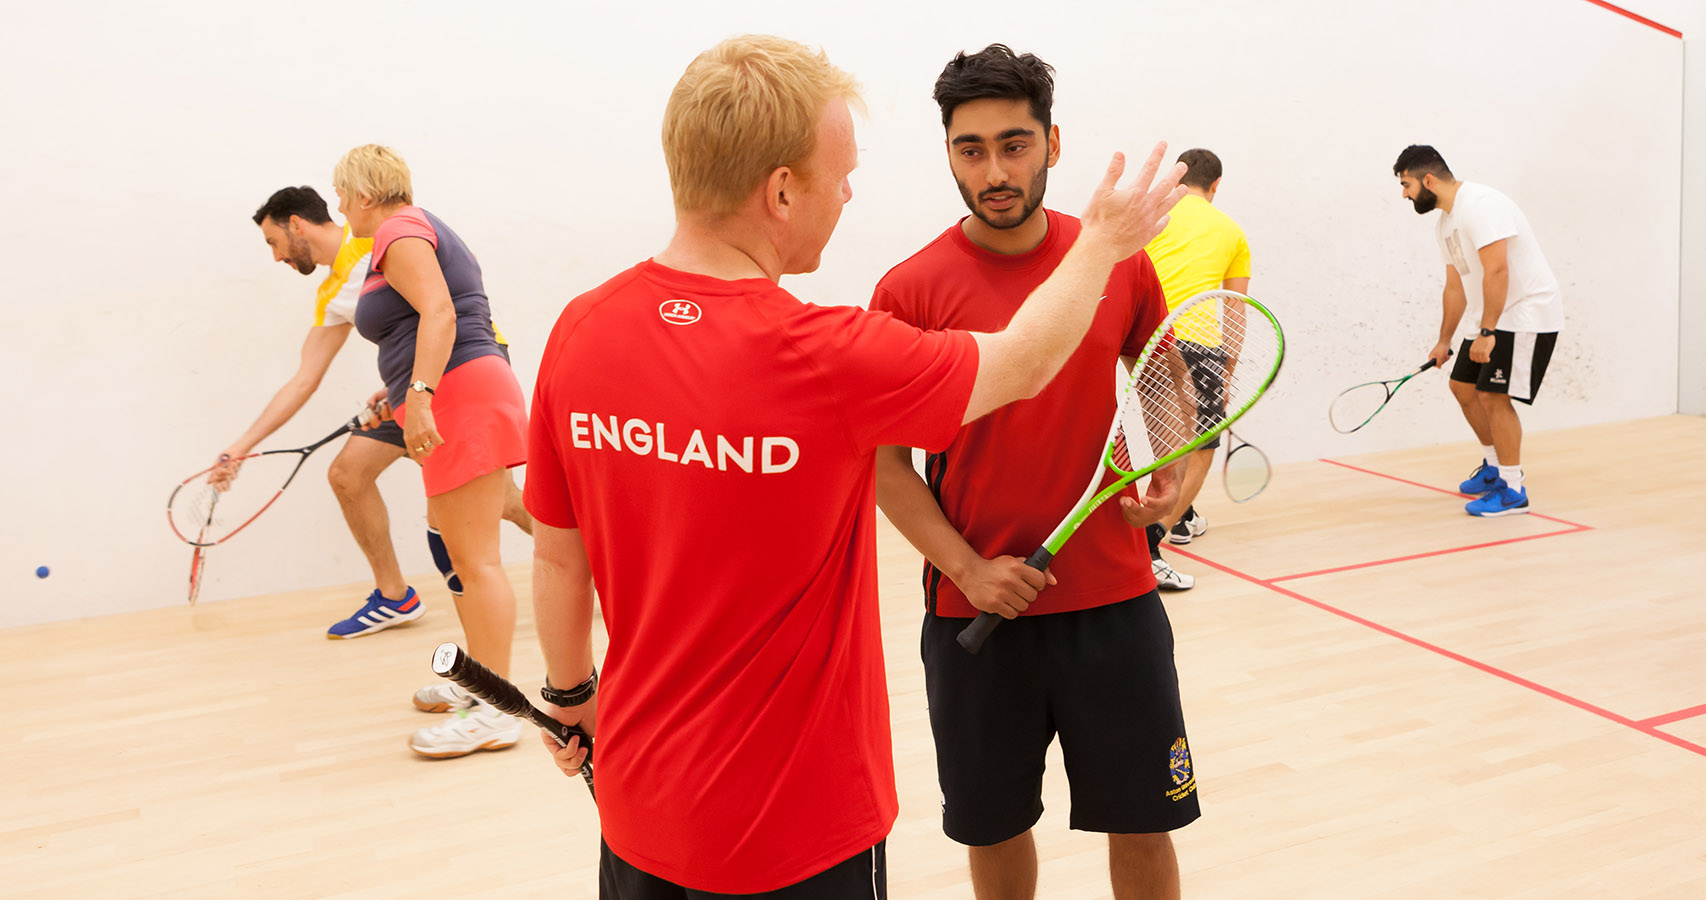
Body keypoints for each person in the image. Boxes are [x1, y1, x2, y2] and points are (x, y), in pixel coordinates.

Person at [525, 34, 1185, 900]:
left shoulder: (581, 329)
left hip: (641, 809)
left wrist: (569, 692)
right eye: (840, 175)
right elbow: (1020, 361)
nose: (847, 193)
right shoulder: (826, 355)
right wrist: (1103, 243)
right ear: (782, 191)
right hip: (801, 828)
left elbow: (556, 554)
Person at [872, 45, 1197, 900]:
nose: (994, 170)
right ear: (947, 153)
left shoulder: (1117, 261)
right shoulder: (909, 291)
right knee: (996, 827)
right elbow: (885, 465)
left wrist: (1173, 467)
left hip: (1116, 605)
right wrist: (967, 569)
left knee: (1143, 823)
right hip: (976, 613)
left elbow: (1160, 372)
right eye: (970, 149)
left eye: (1013, 144)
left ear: (1053, 143)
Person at [232, 187, 533, 642]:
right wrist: (239, 448)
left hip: (459, 373)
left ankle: (594, 567)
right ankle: (395, 597)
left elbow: (441, 302)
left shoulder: (376, 236)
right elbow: (303, 380)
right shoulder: (331, 294)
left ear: (296, 224)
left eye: (273, 242)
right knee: (348, 475)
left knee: (498, 505)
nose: (276, 257)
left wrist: (418, 385)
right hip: (409, 390)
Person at [332, 144, 532, 757]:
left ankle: (499, 710)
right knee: (465, 545)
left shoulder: (399, 230)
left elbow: (441, 313)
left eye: (341, 196)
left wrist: (417, 394)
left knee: (478, 561)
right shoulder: (407, 232)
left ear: (365, 195)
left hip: (460, 395)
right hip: (459, 390)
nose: (339, 208)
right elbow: (421, 321)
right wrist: (396, 389)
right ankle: (480, 684)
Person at [1395, 145, 1563, 516]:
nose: (1404, 194)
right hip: (1491, 317)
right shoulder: (1446, 223)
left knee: (1492, 396)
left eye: (1406, 184)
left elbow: (1498, 270)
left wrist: (1488, 331)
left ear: (1428, 179)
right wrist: (1444, 340)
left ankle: (1512, 489)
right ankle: (1493, 466)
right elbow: (1455, 287)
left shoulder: (1482, 205)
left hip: (1525, 313)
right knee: (1463, 386)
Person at [1141, 147, 1252, 585]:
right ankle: (1149, 547)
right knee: (1202, 445)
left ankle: (1182, 515)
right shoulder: (1233, 232)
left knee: (1161, 436)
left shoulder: (1153, 215)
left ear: (1178, 180)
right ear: (1217, 186)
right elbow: (1236, 310)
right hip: (1199, 345)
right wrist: (1227, 372)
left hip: (1145, 340)